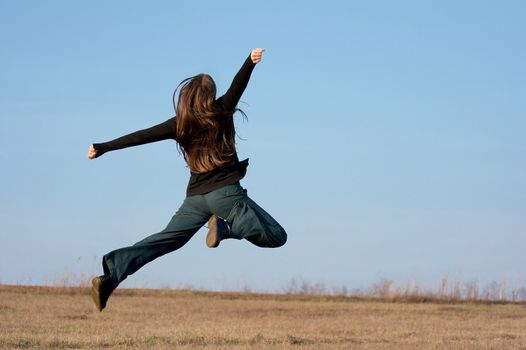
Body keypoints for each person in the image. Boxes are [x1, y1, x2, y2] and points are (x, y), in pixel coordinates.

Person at [87, 48, 287, 312]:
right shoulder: (222, 110)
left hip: (195, 199)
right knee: (277, 235)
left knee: (163, 241)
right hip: (225, 195)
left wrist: (104, 147)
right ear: (211, 95)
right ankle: (225, 229)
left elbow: (141, 136)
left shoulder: (180, 124)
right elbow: (238, 87)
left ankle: (111, 277)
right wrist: (249, 62)